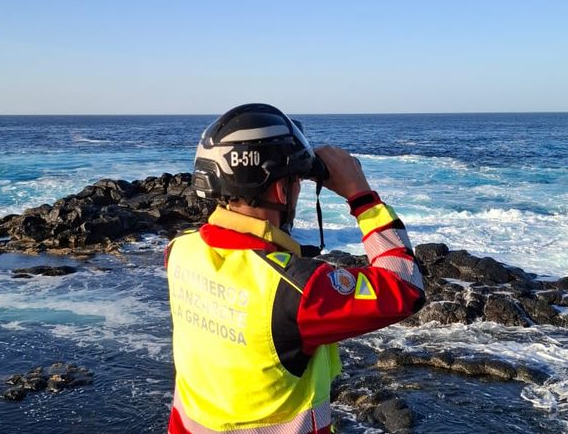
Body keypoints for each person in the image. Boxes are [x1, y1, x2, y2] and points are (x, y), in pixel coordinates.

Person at [166, 104, 426, 434]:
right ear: (279, 189)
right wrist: (361, 196)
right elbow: (405, 286)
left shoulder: (180, 251)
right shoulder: (296, 290)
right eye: (296, 181)